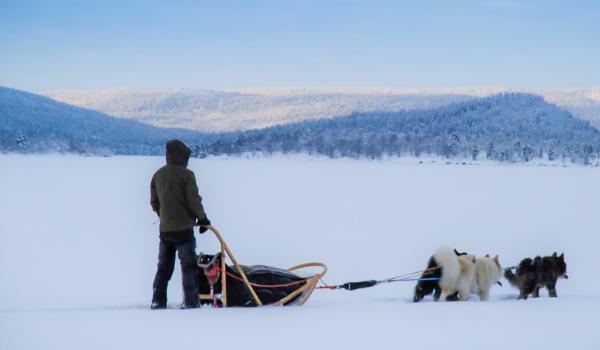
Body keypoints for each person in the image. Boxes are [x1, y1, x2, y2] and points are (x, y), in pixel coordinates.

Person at [150, 139, 211, 309]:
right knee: (189, 267)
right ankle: (191, 302)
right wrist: (203, 219)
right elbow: (194, 201)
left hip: (165, 231)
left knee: (164, 267)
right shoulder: (187, 175)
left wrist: (164, 216)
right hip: (184, 230)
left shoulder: (158, 175)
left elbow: (154, 202)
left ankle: (158, 300)